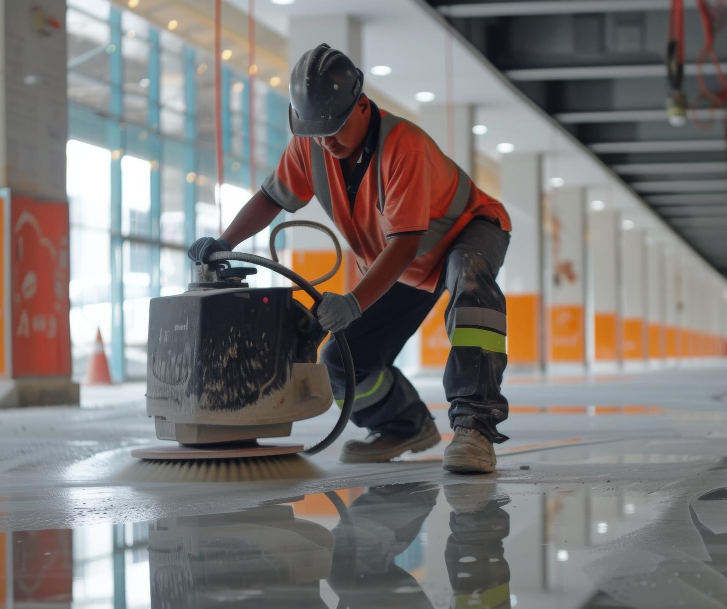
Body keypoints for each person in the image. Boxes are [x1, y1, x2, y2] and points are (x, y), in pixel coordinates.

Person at [188, 44, 511, 474]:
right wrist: (223, 242)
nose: (325, 141)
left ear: (362, 106)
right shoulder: (311, 147)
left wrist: (353, 302)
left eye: (334, 129)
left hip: (467, 231)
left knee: (468, 277)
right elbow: (272, 198)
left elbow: (404, 243)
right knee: (341, 364)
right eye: (314, 131)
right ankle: (402, 425)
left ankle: (475, 427)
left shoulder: (404, 148)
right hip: (402, 262)